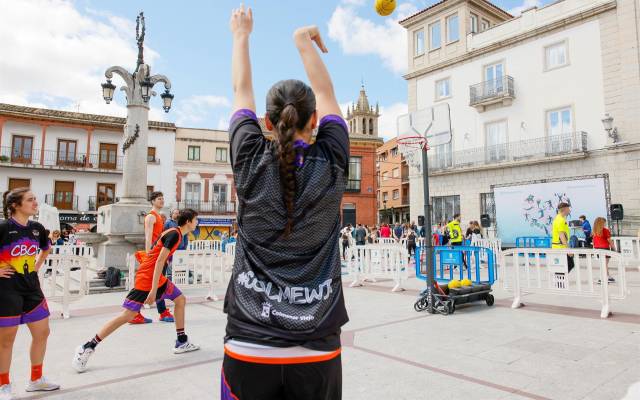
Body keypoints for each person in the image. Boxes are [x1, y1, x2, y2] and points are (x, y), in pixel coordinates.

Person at [222, 7, 348, 399]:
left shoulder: (247, 157)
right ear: (315, 122)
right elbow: (326, 94)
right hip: (317, 348)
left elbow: (240, 90)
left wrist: (241, 34)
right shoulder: (333, 160)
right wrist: (302, 43)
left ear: (265, 121)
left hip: (247, 344)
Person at [72, 209, 201, 373]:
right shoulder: (175, 234)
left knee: (180, 300)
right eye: (196, 220)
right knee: (127, 316)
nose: (197, 222)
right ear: (188, 221)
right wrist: (154, 290)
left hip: (155, 277)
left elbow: (157, 257)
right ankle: (87, 347)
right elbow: (160, 261)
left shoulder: (175, 233)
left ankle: (182, 341)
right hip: (147, 279)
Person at [0, 188, 60, 398]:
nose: (36, 203)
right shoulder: (3, 227)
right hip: (7, 290)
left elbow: (46, 247)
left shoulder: (37, 228)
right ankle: (3, 385)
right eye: (30, 200)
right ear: (15, 205)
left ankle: (36, 380)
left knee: (42, 333)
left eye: (35, 198)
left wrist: (37, 266)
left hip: (32, 288)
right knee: (7, 340)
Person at [130, 191, 175, 324]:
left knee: (157, 283)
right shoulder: (151, 217)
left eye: (163, 198)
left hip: (159, 254)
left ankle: (159, 312)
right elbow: (148, 237)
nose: (162, 201)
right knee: (151, 284)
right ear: (153, 201)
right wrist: (149, 256)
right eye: (159, 199)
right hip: (154, 256)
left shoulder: (159, 217)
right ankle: (140, 313)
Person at [552, 202, 574, 272]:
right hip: (560, 247)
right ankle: (559, 282)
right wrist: (568, 249)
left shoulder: (558, 218)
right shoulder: (560, 220)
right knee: (567, 265)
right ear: (565, 209)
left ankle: (560, 281)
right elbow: (561, 235)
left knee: (564, 266)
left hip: (559, 246)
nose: (569, 211)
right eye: (568, 209)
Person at [592, 217, 615, 284]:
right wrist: (614, 248)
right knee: (604, 264)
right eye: (604, 222)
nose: (605, 224)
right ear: (602, 223)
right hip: (605, 248)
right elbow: (610, 241)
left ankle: (608, 277)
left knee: (604, 264)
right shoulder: (605, 230)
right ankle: (601, 278)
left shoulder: (594, 231)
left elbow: (594, 241)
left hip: (597, 248)